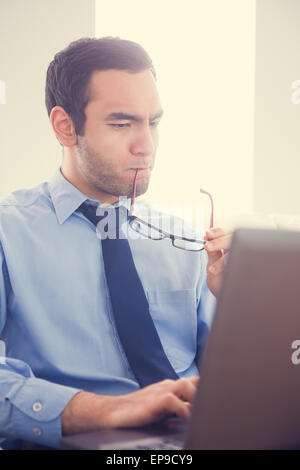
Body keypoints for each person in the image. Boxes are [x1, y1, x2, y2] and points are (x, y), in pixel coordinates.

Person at [0, 37, 231, 449]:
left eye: (153, 122)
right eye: (122, 124)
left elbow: (243, 386)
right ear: (64, 126)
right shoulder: (8, 234)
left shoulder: (188, 243)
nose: (146, 146)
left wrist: (243, 307)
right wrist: (104, 411)